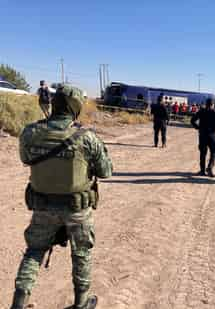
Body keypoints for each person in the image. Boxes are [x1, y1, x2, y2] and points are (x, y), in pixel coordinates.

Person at [10, 84, 112, 309]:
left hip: (43, 206)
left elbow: (26, 159)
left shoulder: (30, 132)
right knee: (81, 253)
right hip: (77, 209)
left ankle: (18, 303)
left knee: (34, 251)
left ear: (54, 104)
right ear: (75, 107)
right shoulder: (87, 137)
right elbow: (106, 171)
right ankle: (81, 303)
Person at [191, 98, 215, 177]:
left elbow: (192, 120)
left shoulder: (201, 111)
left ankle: (202, 171)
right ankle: (210, 167)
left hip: (202, 135)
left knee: (203, 153)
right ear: (213, 104)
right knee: (214, 151)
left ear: (206, 104)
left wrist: (198, 127)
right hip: (212, 135)